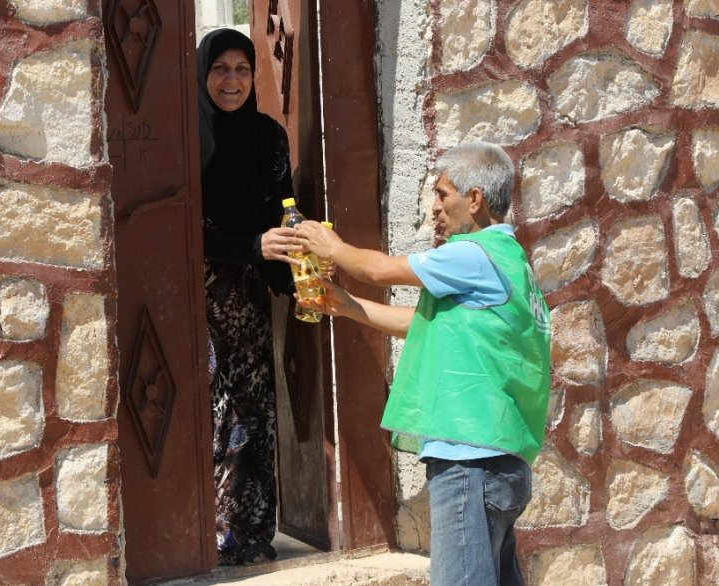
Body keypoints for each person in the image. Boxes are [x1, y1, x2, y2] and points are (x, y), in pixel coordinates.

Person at [295, 142, 551, 585]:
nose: (433, 208)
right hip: (502, 462)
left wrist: (329, 245)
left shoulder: (474, 253)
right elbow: (423, 323)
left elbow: (377, 269)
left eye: (442, 194)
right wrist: (348, 306)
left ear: (474, 200)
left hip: (470, 461)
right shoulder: (511, 261)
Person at [196, 28, 301, 566]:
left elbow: (284, 206)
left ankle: (251, 537)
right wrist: (250, 245)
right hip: (197, 297)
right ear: (202, 73)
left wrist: (300, 272)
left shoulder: (268, 136)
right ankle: (205, 537)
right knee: (206, 414)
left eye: (242, 69)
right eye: (220, 69)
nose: (232, 80)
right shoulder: (186, 136)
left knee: (251, 416)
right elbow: (181, 227)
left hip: (251, 300)